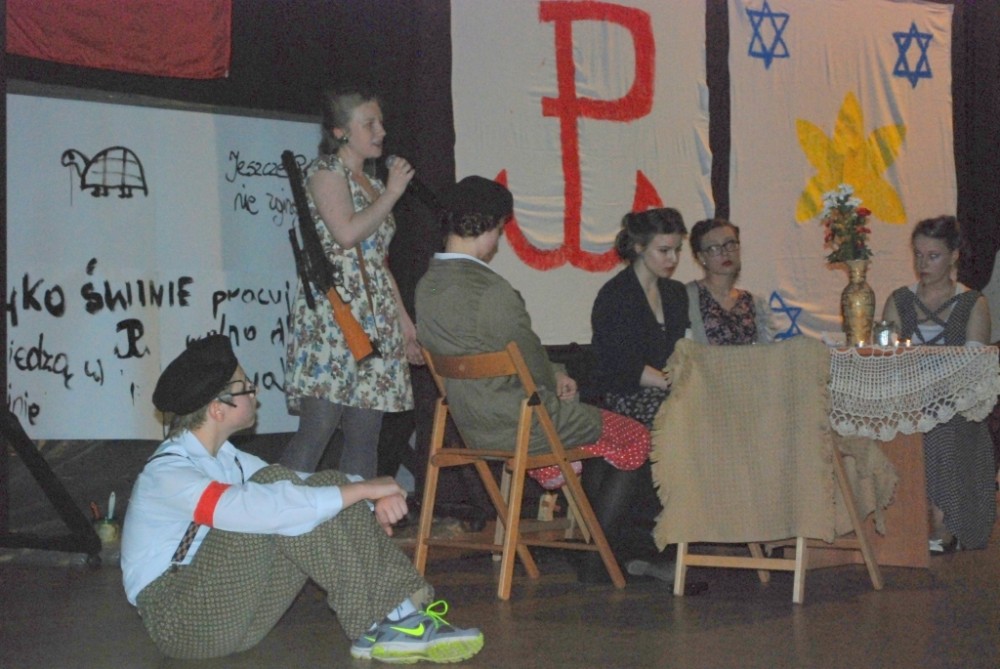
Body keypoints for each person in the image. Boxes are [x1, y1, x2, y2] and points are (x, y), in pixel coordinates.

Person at [121, 334, 482, 663]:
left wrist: (374, 493)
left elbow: (305, 486)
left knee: (315, 488)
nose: (255, 391)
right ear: (218, 409)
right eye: (245, 386)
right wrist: (362, 491)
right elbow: (257, 506)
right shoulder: (166, 474)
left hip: (234, 619)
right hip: (180, 621)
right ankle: (387, 619)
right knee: (280, 492)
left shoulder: (229, 460)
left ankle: (396, 617)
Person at [415, 176, 653, 583]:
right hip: (522, 426)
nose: (498, 240)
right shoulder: (492, 291)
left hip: (471, 425)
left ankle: (558, 474)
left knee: (577, 432)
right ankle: (599, 557)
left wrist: (550, 376)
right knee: (633, 436)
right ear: (488, 226)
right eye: (500, 229)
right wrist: (556, 376)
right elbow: (531, 364)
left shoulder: (427, 286)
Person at [283, 87, 423, 478]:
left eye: (381, 123)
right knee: (318, 427)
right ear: (340, 131)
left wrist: (404, 323)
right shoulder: (326, 171)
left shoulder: (373, 183)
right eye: (369, 124)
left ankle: (356, 516)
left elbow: (378, 261)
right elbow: (346, 234)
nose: (381, 131)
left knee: (365, 436)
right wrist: (393, 193)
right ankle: (270, 511)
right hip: (335, 313)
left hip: (375, 316)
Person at [882, 215, 995, 553]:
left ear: (954, 255)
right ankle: (894, 525)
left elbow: (972, 372)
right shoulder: (900, 300)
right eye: (918, 255)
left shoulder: (972, 303)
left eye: (933, 256)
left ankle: (943, 523)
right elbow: (887, 359)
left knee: (939, 427)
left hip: (956, 406)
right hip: (909, 399)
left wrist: (935, 394)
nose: (923, 264)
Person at [590, 208, 690, 429]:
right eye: (664, 250)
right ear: (639, 247)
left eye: (677, 250)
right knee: (683, 413)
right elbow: (624, 365)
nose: (673, 259)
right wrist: (676, 384)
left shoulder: (676, 292)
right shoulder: (615, 295)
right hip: (626, 393)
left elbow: (684, 348)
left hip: (670, 389)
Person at [685, 218, 775, 345]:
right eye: (714, 248)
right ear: (701, 257)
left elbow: (767, 351)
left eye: (730, 244)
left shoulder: (754, 303)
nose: (725, 252)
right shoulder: (686, 298)